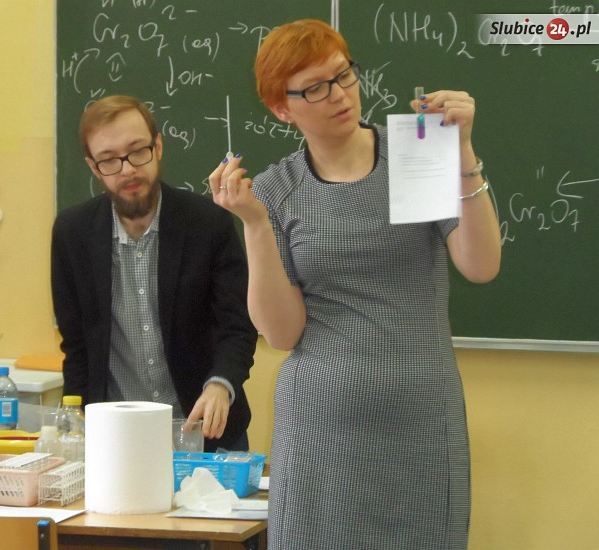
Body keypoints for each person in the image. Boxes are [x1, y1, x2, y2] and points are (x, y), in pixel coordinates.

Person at [208, 19, 501, 550]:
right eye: (315, 88)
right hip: (319, 431)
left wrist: (461, 152)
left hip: (420, 418)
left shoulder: (415, 153)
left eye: (343, 75)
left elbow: (480, 265)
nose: (340, 94)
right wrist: (253, 223)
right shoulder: (276, 190)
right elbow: (282, 333)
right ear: (281, 108)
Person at [51, 95, 257, 451]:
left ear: (157, 147)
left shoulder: (208, 222)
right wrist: (77, 429)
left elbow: (237, 326)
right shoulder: (73, 233)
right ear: (93, 167)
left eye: (137, 151)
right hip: (117, 439)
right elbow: (77, 346)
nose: (127, 169)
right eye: (109, 160)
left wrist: (220, 385)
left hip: (207, 433)